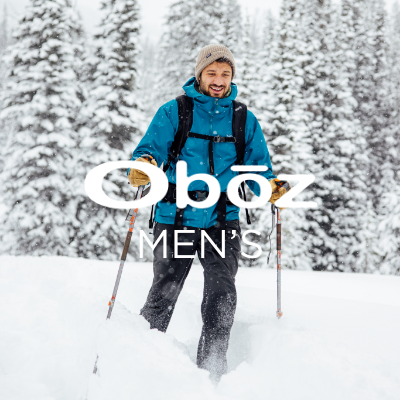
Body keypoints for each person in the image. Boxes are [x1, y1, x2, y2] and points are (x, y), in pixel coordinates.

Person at [128, 44, 289, 382]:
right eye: (212, 73)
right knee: (163, 292)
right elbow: (150, 150)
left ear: (232, 77)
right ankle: (140, 368)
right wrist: (145, 166)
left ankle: (212, 373)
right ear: (200, 74)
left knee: (222, 296)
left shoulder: (242, 117)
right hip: (176, 218)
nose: (218, 80)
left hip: (222, 219)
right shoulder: (175, 111)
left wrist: (270, 186)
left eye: (225, 74)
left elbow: (258, 168)